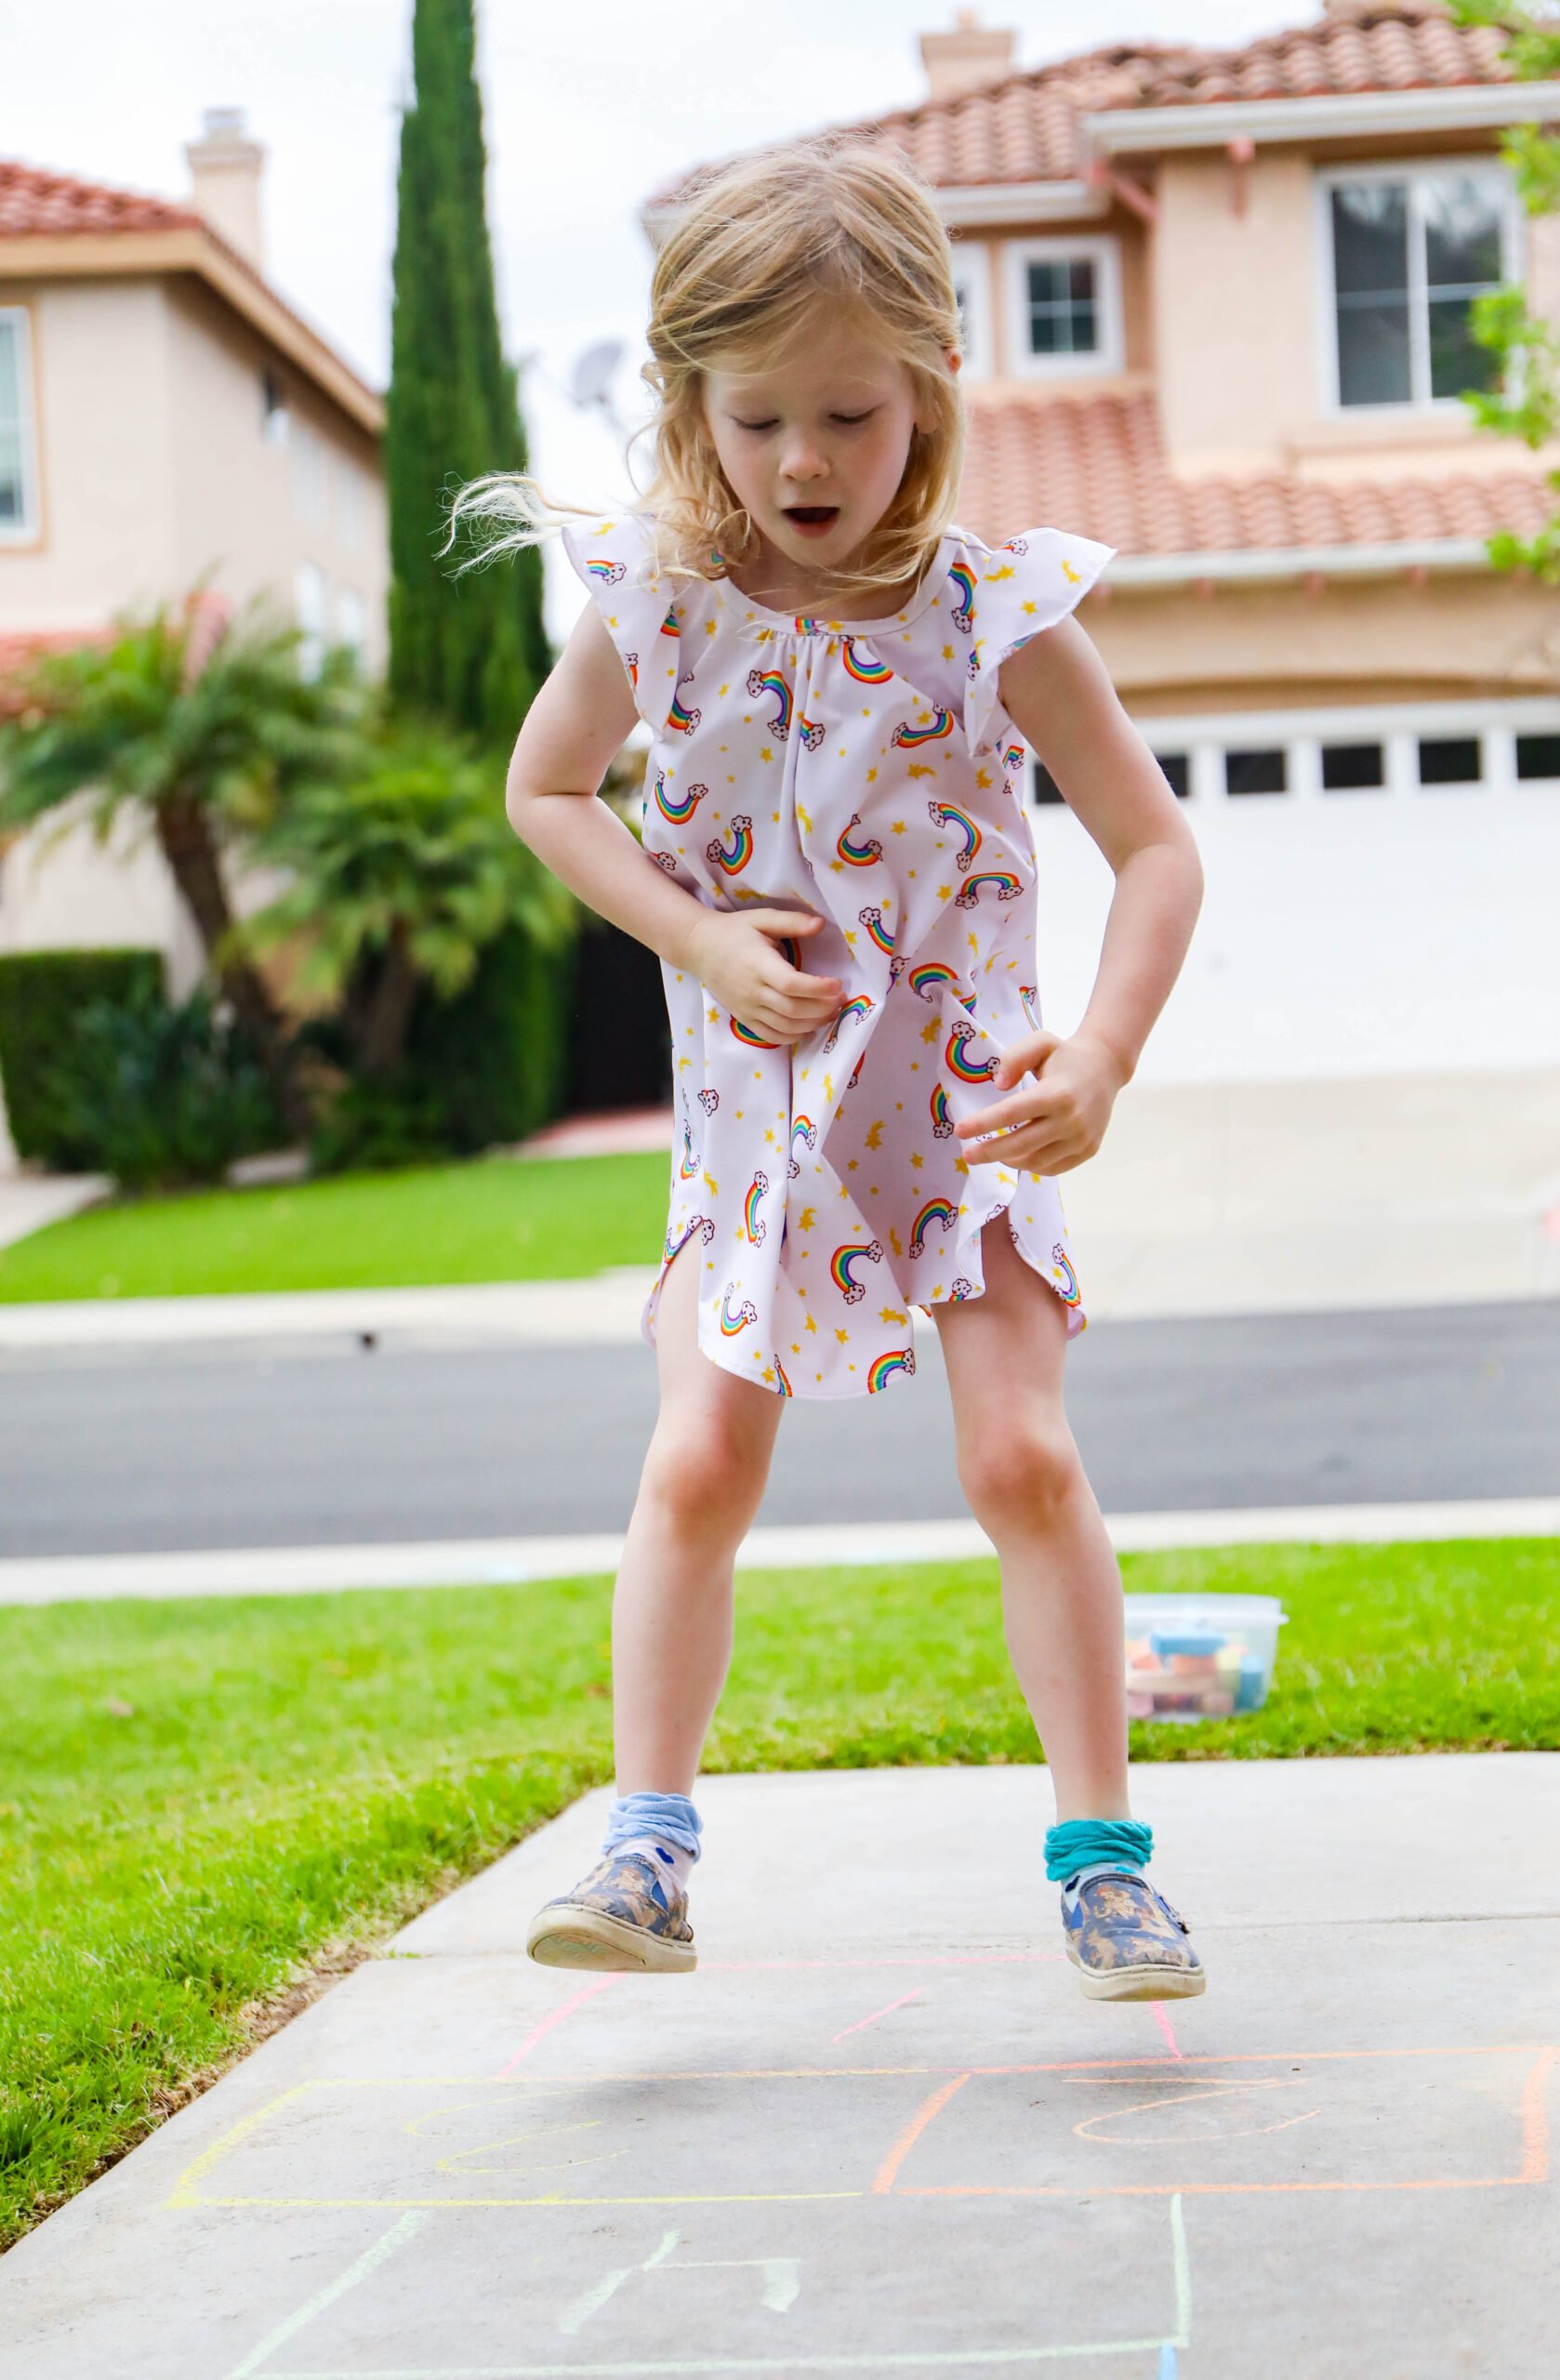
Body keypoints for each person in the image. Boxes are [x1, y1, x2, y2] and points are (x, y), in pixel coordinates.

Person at [454, 137, 1207, 2003]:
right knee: (697, 1457)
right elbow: (543, 792)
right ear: (689, 399)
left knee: (1020, 1455)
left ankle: (1103, 1859)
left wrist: (1099, 1055)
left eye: (848, 415)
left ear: (928, 394)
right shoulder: (657, 602)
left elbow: (1159, 849)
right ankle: (644, 1843)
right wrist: (697, 941)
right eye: (758, 414)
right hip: (756, 1114)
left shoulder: (994, 613)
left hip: (962, 1106)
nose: (801, 460)